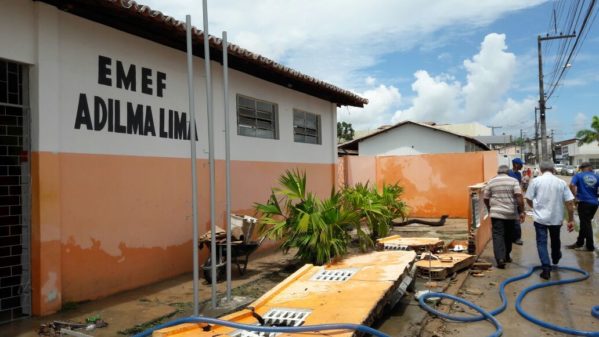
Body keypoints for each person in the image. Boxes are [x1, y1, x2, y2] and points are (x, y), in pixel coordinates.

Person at [524, 161, 575, 280]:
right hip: (556, 218)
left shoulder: (536, 181)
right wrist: (571, 220)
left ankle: (546, 269)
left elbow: (528, 198)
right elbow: (569, 202)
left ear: (541, 170)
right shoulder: (561, 182)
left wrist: (534, 207)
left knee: (541, 242)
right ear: (553, 170)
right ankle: (556, 256)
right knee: (555, 239)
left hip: (540, 218)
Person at [483, 165, 525, 269]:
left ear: (498, 172)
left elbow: (485, 198)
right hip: (510, 213)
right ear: (507, 172)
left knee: (498, 235)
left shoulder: (491, 181)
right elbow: (519, 197)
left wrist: (489, 208)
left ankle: (500, 259)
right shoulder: (513, 181)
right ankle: (506, 256)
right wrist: (522, 211)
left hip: (496, 213)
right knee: (508, 235)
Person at [568, 162, 598, 252]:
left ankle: (590, 246)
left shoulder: (578, 176)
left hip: (584, 202)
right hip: (595, 203)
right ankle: (579, 242)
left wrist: (575, 197)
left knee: (586, 224)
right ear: (590, 167)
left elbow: (572, 185)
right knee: (584, 223)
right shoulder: (597, 176)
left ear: (583, 168)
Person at [508, 158, 525, 245]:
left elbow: (519, 186)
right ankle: (512, 238)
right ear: (515, 164)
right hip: (509, 199)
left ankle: (517, 238)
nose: (522, 166)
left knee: (517, 220)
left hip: (517, 198)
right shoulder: (509, 173)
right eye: (521, 164)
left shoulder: (519, 174)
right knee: (513, 221)